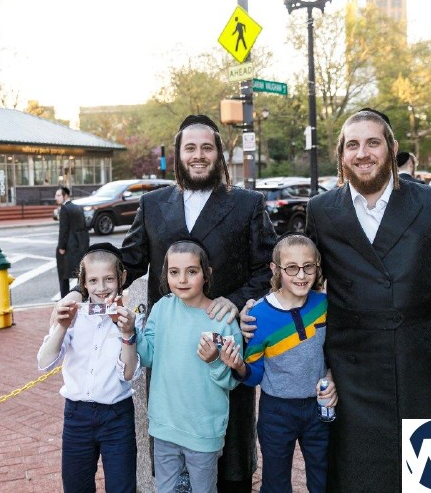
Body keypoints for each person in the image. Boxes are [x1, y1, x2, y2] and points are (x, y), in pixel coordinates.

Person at [242, 108, 431, 493]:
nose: (362, 153)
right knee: (360, 478)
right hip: (353, 374)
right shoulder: (322, 210)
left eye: (372, 143)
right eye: (352, 145)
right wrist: (260, 308)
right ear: (341, 155)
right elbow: (304, 282)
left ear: (392, 148)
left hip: (422, 365)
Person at [55, 114, 276, 492]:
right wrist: (80, 289)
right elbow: (126, 262)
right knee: (171, 462)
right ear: (178, 155)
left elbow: (266, 268)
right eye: (190, 148)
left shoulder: (247, 204)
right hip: (169, 349)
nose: (198, 155)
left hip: (222, 342)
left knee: (230, 459)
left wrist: (237, 300)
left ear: (219, 154)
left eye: (207, 147)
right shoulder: (153, 204)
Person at [219, 234, 335, 493]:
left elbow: (333, 353)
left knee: (323, 479)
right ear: (275, 269)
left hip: (318, 409)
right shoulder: (258, 315)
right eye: (291, 267)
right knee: (275, 483)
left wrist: (331, 377)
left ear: (317, 266)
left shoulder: (324, 305)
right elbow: (255, 374)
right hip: (276, 412)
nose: (301, 275)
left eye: (308, 267)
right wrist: (238, 366)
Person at [128, 239, 242, 493]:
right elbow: (148, 356)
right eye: (174, 272)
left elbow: (232, 380)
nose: (182, 279)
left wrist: (214, 360)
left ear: (206, 273)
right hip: (165, 425)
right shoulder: (161, 309)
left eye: (191, 271)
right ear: (165, 274)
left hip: (204, 430)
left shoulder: (223, 319)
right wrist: (131, 332)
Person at [37, 243, 143, 493]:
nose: (101, 287)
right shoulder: (75, 316)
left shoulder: (132, 319)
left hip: (117, 416)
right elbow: (44, 362)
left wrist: (127, 333)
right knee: (76, 487)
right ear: (83, 283)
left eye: (109, 279)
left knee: (122, 487)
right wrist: (62, 326)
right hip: (77, 415)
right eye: (93, 280)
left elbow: (129, 373)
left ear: (122, 278)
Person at [55, 186, 90, 298]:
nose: (56, 198)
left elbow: (63, 230)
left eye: (58, 195)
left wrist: (61, 246)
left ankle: (65, 298)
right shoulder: (78, 207)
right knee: (80, 273)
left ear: (65, 196)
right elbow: (84, 228)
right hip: (80, 246)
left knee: (63, 274)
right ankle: (82, 296)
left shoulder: (64, 209)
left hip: (68, 247)